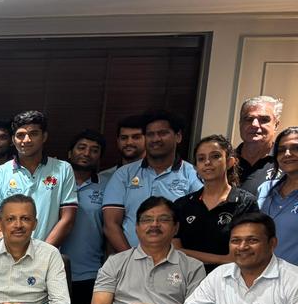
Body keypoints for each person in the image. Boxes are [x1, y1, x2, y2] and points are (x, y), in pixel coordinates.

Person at [90, 197, 206, 304]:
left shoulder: (193, 267)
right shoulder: (115, 262)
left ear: (176, 228)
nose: (154, 225)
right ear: (137, 228)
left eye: (163, 219)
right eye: (147, 220)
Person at [102, 109, 202, 251]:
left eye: (163, 133)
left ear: (178, 136)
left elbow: (199, 222)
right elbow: (111, 224)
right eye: (150, 134)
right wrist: (131, 259)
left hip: (175, 261)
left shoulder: (192, 174)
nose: (156, 139)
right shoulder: (124, 174)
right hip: (129, 258)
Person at [0, 110, 77, 244]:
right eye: (20, 135)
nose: (26, 140)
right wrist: (10, 249)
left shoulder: (63, 169)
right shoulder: (0, 173)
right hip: (8, 253)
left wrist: (43, 252)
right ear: (13, 139)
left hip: (47, 253)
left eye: (33, 134)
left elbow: (67, 219)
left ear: (44, 136)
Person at [173, 134, 259, 273]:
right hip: (186, 278)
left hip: (229, 279)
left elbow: (242, 254)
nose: (207, 162)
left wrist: (188, 254)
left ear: (230, 162)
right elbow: (175, 251)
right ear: (196, 167)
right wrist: (223, 259)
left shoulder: (246, 203)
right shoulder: (182, 205)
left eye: (215, 156)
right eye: (201, 159)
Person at [60, 130, 112, 304]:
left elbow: (110, 227)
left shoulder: (108, 184)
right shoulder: (56, 181)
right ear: (70, 152)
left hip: (90, 273)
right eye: (81, 148)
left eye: (94, 150)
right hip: (52, 270)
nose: (87, 153)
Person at [257, 126, 298, 265]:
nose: (287, 154)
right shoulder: (265, 188)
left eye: (295, 148)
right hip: (259, 273)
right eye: (281, 150)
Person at [236, 96, 284, 196]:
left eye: (264, 119)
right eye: (248, 119)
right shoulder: (224, 161)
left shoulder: (287, 163)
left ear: (276, 125)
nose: (254, 124)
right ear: (240, 123)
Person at [98, 115, 147, 180]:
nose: (129, 142)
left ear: (147, 139)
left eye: (136, 137)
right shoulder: (103, 178)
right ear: (118, 141)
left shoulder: (157, 175)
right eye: (124, 138)